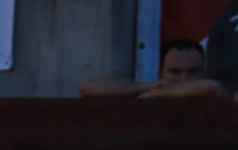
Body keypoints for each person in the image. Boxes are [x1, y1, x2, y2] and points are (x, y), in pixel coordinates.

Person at [79, 39, 229, 99]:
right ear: (160, 74)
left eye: (193, 72)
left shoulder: (213, 93)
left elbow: (212, 87)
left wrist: (155, 94)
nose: (184, 79)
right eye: (175, 72)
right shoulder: (154, 88)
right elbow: (88, 87)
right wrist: (150, 87)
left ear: (204, 73)